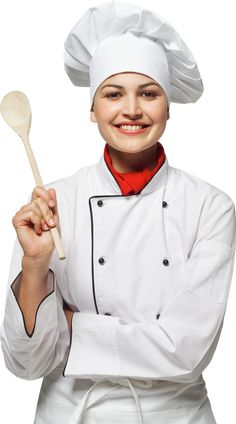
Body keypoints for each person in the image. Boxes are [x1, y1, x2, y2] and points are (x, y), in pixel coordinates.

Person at [1, 1, 235, 423]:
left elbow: (186, 351)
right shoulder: (53, 203)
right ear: (92, 111)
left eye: (148, 93)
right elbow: (25, 364)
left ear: (167, 107)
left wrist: (71, 328)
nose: (131, 110)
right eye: (113, 94)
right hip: (72, 414)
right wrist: (35, 263)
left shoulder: (210, 207)